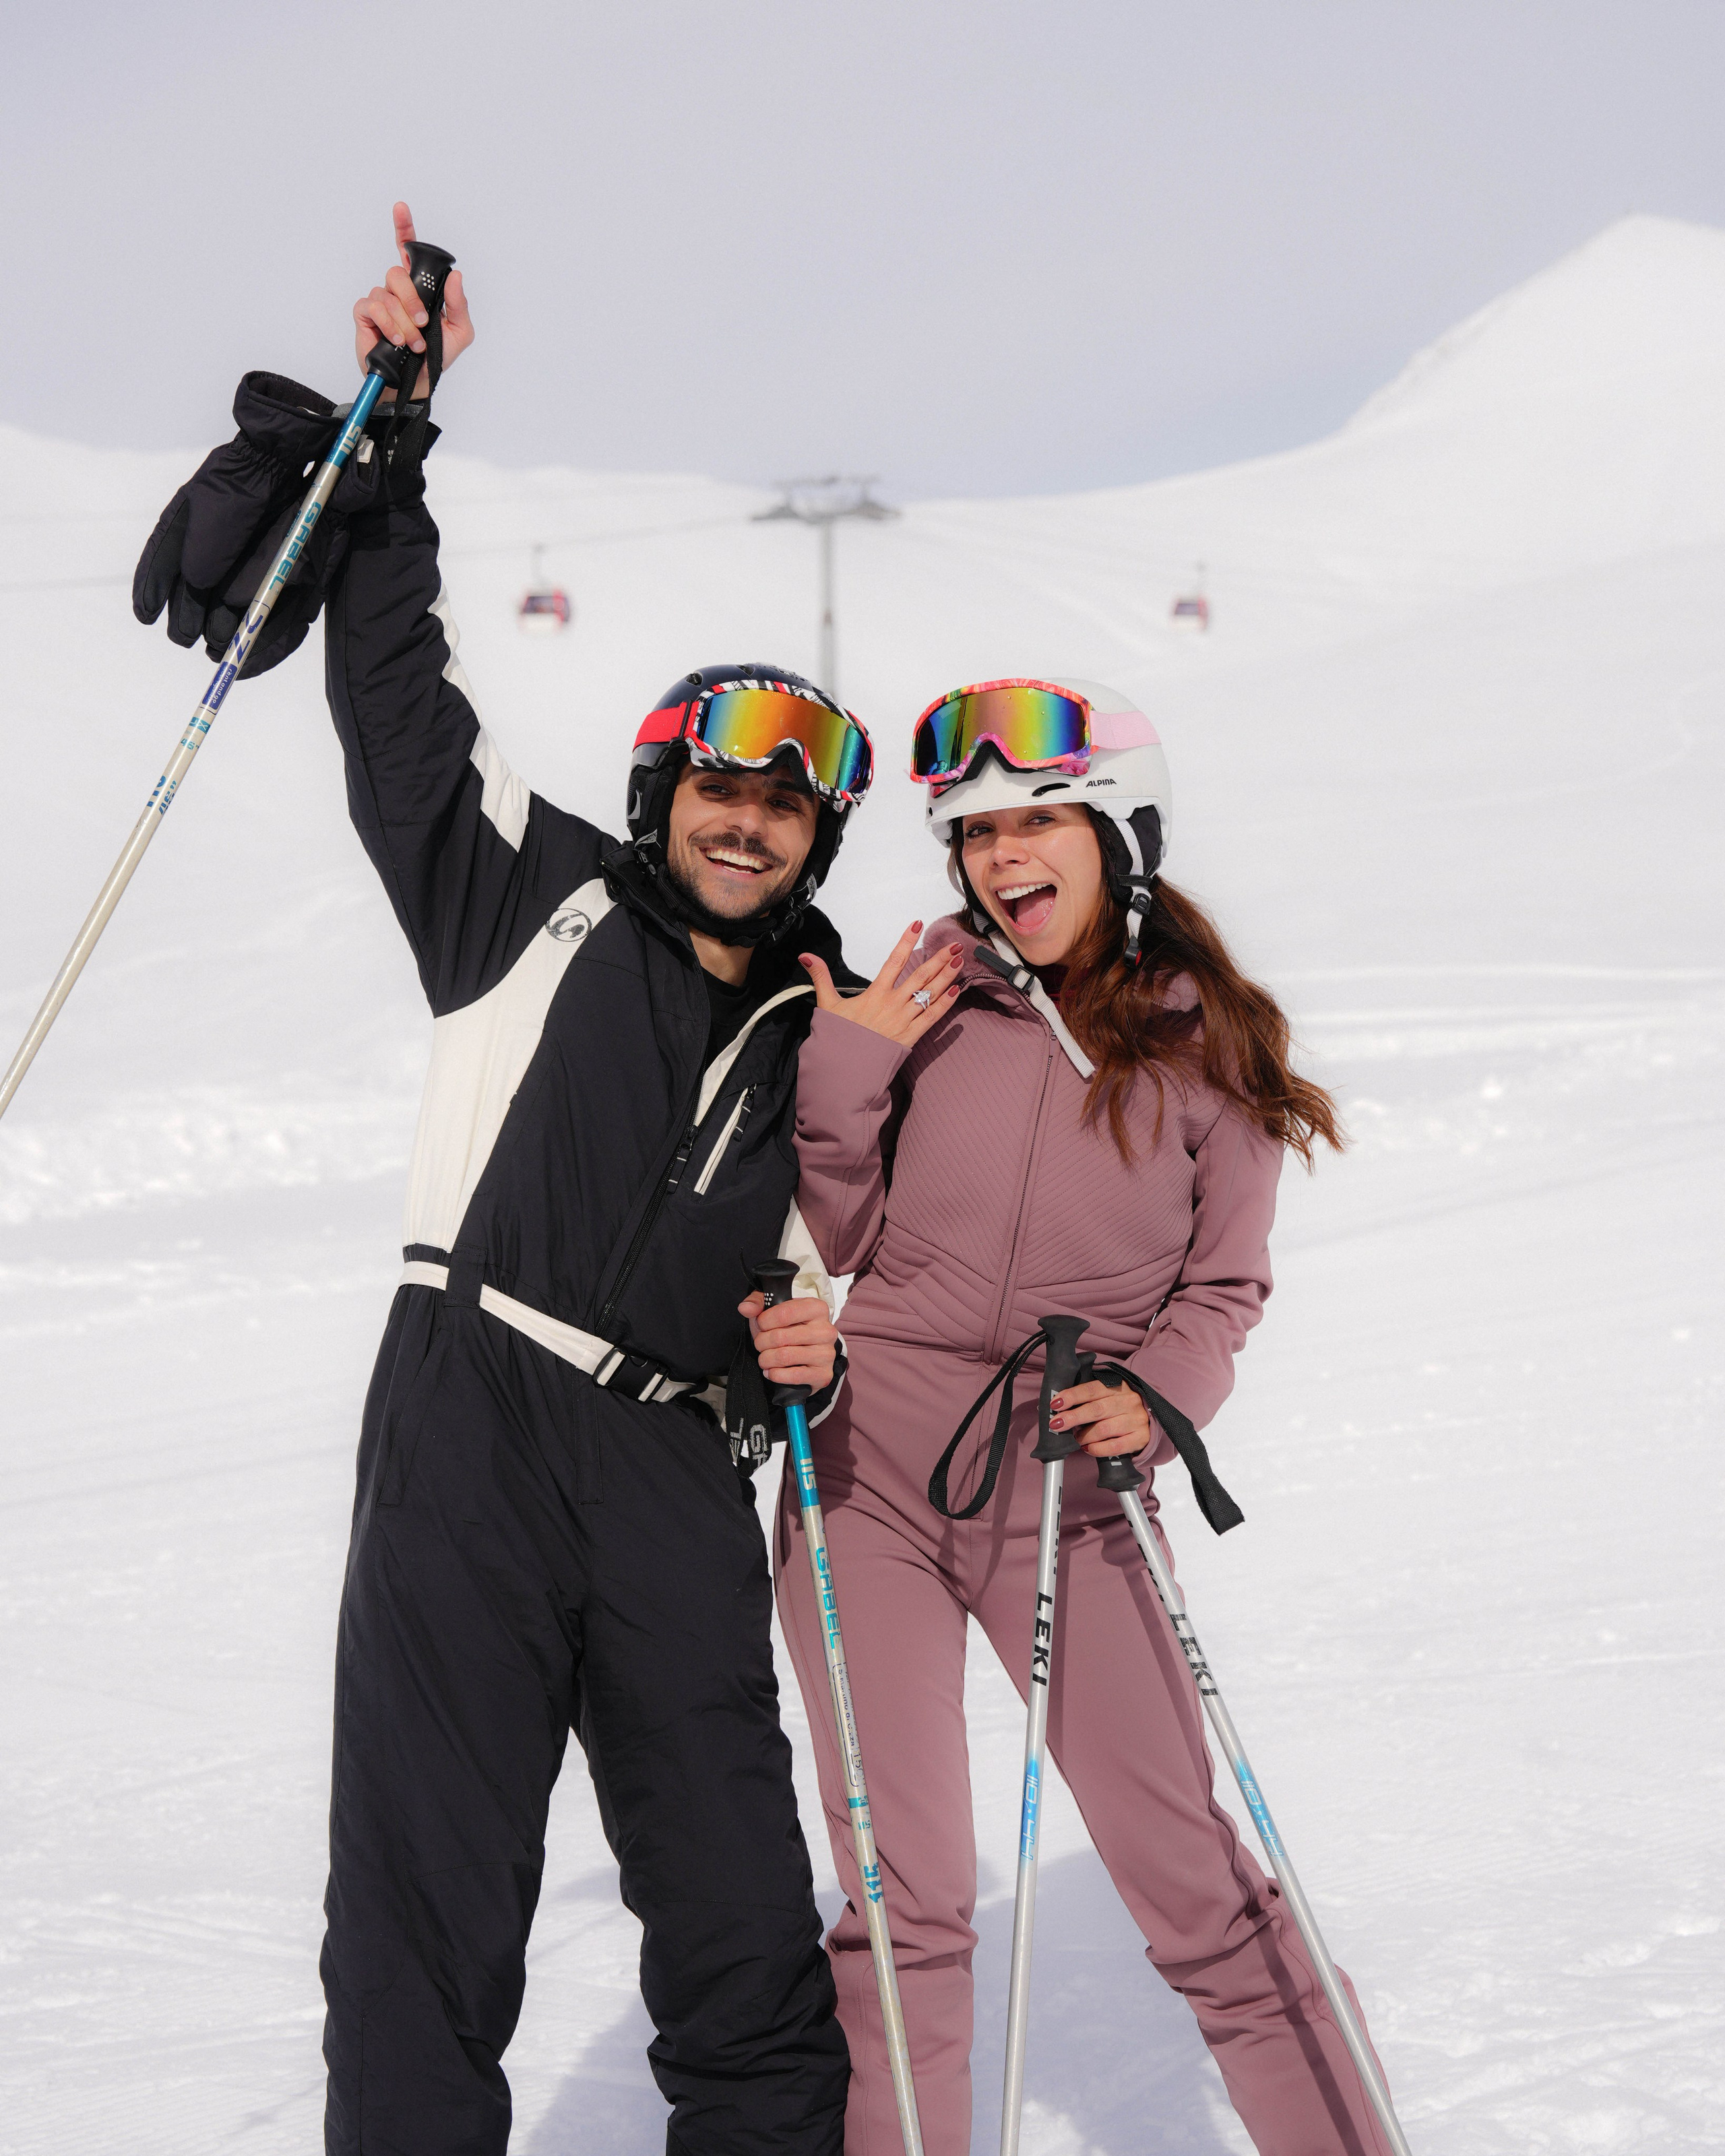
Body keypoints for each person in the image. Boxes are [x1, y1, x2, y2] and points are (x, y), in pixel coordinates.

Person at [133, 206, 867, 2156]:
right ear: (661, 798)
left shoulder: (837, 1030)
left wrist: (824, 1344)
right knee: (425, 1918)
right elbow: (395, 692)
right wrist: (404, 419)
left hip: (677, 1475)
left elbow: (884, 1261)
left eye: (786, 795)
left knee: (742, 1933)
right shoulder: (523, 902)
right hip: (472, 1410)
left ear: (817, 835)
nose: (744, 812)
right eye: (715, 780)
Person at [775, 676, 1397, 2155]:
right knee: (899, 1892)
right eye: (976, 830)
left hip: (1068, 1475)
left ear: (1118, 828)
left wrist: (1154, 1392)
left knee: (1186, 1871)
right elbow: (832, 1230)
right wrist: (848, 1062)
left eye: (1037, 818)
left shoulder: (1203, 1043)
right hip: (865, 1469)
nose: (1001, 856)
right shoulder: (920, 999)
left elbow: (1223, 1284)